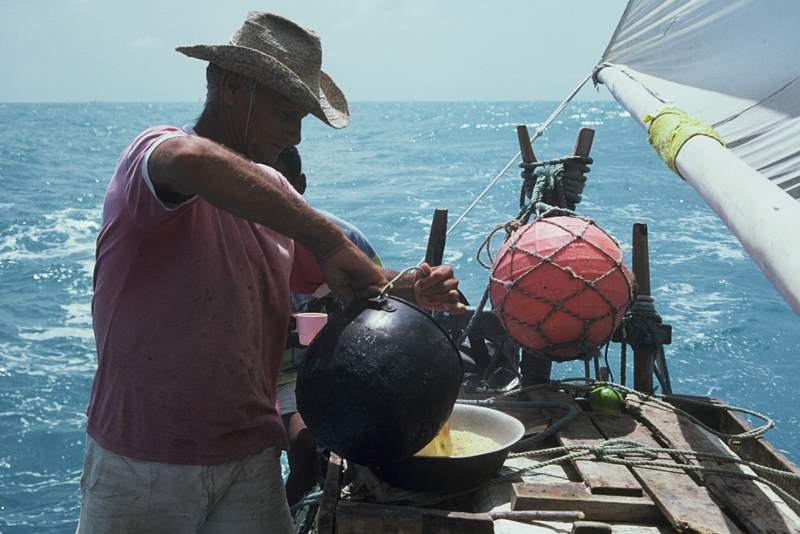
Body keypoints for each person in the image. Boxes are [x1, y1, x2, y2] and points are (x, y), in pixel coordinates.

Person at [76, 11, 464, 534]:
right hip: (148, 463)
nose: (293, 132)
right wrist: (327, 238)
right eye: (286, 112)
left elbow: (339, 275)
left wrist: (409, 285)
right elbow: (191, 162)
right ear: (231, 85)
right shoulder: (153, 155)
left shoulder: (276, 197)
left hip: (249, 456)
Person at [272, 146, 382, 507]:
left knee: (307, 445)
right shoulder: (236, 245)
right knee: (276, 455)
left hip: (326, 370)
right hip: (266, 377)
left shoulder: (343, 240)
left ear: (300, 185)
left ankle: (300, 507)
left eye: (281, 185)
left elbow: (380, 303)